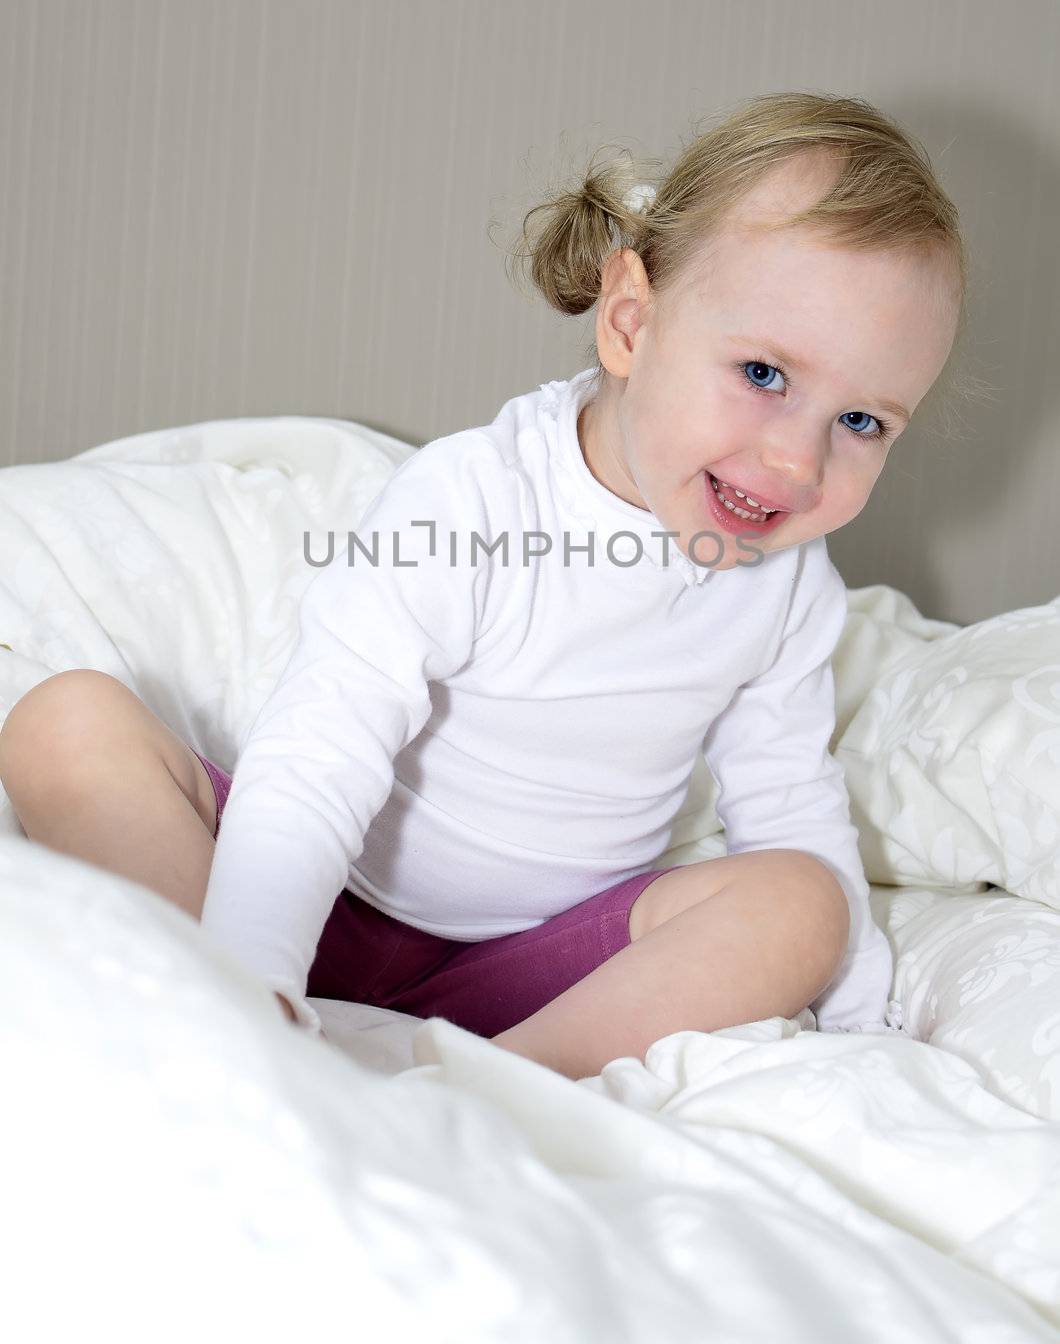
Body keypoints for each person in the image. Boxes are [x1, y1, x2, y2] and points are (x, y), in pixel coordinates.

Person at [0, 92, 967, 1082]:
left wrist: (858, 1025)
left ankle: (480, 1088)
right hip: (310, 894)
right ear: (629, 323)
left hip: (535, 975)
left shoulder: (786, 585)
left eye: (860, 423)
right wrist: (258, 965)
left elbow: (789, 799)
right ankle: (237, 1018)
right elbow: (320, 744)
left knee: (802, 901)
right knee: (63, 722)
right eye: (763, 372)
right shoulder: (473, 501)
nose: (795, 460)